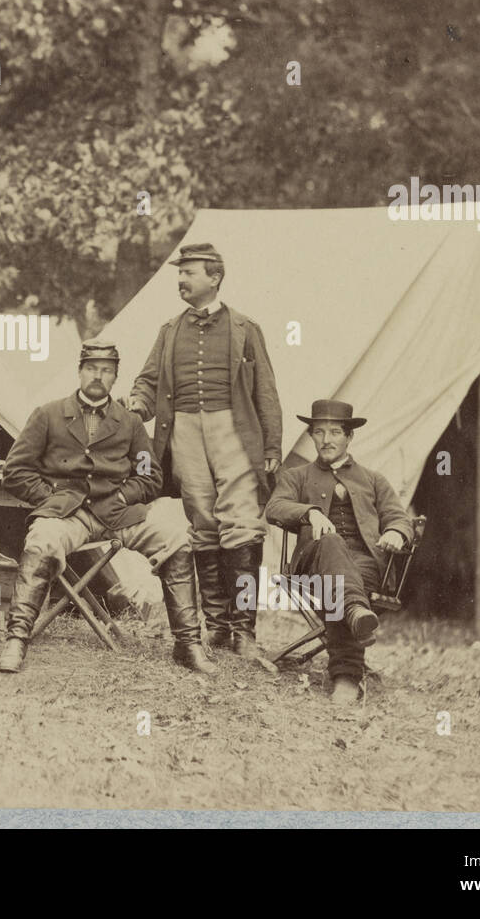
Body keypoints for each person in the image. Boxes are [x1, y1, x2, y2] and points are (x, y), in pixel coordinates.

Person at [0, 340, 214, 676]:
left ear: (115, 378)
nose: (98, 376)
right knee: (42, 540)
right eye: (91, 369)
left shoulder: (129, 423)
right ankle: (17, 637)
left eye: (106, 371)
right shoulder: (48, 414)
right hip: (68, 514)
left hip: (118, 513)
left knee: (176, 539)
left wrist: (124, 497)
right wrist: (52, 498)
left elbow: (150, 477)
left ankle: (188, 645)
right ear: (79, 371)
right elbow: (15, 472)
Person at [127, 242, 282, 663]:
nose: (181, 279)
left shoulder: (245, 328)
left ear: (214, 277)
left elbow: (265, 391)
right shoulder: (168, 330)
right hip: (184, 432)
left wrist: (270, 446)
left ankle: (243, 631)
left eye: (189, 272)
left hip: (233, 430)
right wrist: (135, 406)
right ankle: (216, 627)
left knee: (243, 524)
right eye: (179, 273)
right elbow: (147, 381)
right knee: (203, 525)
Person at [264, 399, 413, 704]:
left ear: (349, 437)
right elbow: (275, 507)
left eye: (334, 432)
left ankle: (352, 622)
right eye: (319, 432)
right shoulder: (297, 476)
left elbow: (398, 517)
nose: (326, 440)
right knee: (331, 542)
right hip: (313, 561)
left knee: (348, 579)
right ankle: (347, 671)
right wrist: (311, 513)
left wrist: (397, 531)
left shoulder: (373, 479)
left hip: (365, 564)